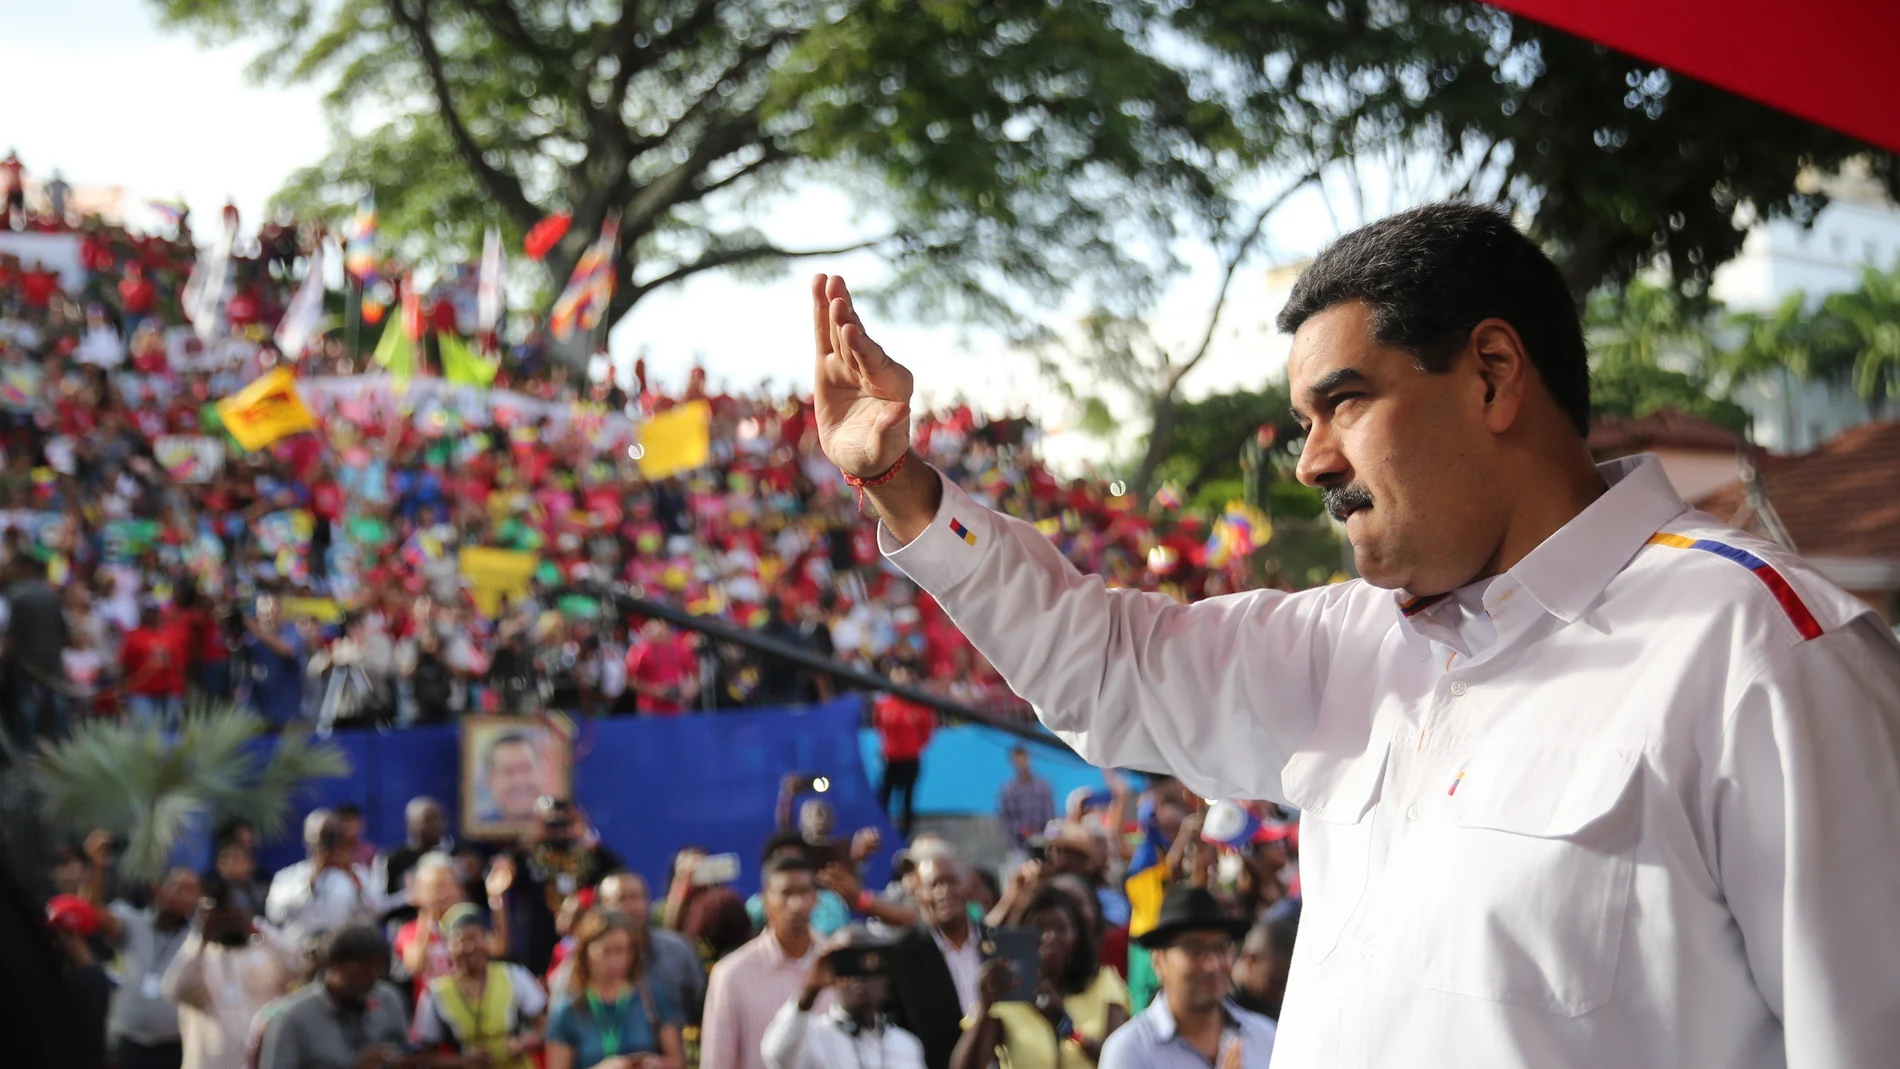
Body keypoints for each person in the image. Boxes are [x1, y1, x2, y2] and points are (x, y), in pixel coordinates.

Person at [808, 200, 1900, 1069]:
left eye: (1344, 402)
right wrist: (902, 488)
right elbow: (1103, 668)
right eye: (1302, 422)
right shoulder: (1342, 646)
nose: (1311, 461)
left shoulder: (1761, 650)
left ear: (1491, 374)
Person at [950, 886, 1128, 1069]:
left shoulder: (1102, 982)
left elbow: (1122, 1063)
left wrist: (1065, 1025)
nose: (1050, 937)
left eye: (1061, 928)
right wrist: (984, 1008)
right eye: (1039, 929)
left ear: (1077, 935)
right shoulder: (1008, 994)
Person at [1097, 886, 1275, 1069]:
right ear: (1159, 960)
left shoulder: (1266, 1037)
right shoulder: (1129, 1052)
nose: (1212, 964)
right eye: (1194, 950)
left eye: (1221, 948)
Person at [85, 832, 198, 1069]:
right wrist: (95, 867)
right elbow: (93, 914)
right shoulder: (132, 922)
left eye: (193, 891)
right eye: (180, 889)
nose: (187, 898)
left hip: (180, 1046)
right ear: (159, 889)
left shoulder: (197, 936)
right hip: (131, 1046)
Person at [160, 883, 302, 1069]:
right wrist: (200, 936)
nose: (228, 918)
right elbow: (174, 990)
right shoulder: (199, 957)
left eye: (235, 911)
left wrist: (255, 927)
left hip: (263, 1062)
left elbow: (299, 965)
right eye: (223, 913)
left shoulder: (264, 949)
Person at [700, 854, 822, 1069]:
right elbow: (716, 1062)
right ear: (766, 900)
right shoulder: (731, 974)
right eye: (786, 893)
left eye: (804, 892)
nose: (796, 905)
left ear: (816, 898)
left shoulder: (835, 964)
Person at [762, 926, 927, 1069]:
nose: (860, 978)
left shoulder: (906, 1044)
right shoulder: (815, 1037)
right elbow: (776, 1055)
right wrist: (809, 991)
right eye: (849, 965)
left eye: (869, 963)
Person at [255, 925, 413, 1069]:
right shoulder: (292, 1018)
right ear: (334, 964)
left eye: (378, 968)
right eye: (364, 968)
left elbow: (406, 1050)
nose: (373, 976)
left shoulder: (388, 998)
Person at [411, 905, 548, 1069]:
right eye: (461, 940)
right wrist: (462, 1061)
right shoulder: (436, 993)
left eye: (475, 938)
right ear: (448, 946)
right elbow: (424, 1057)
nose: (470, 947)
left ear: (486, 940)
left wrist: (524, 1043)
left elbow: (547, 1028)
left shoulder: (513, 975)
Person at [545, 909, 683, 1069]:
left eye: (624, 951)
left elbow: (678, 1061)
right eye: (607, 951)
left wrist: (656, 1064)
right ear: (586, 952)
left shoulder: (652, 997)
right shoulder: (568, 1010)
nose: (617, 961)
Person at [497, 797, 622, 975]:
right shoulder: (527, 859)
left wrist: (585, 833)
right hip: (537, 950)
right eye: (552, 823)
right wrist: (531, 837)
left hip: (583, 947)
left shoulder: (592, 858)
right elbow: (500, 873)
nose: (559, 829)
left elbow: (618, 873)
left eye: (565, 823)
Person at [883, 855, 981, 1069]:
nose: (943, 892)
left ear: (970, 885)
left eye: (951, 881)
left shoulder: (996, 942)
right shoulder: (902, 955)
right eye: (933, 884)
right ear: (918, 893)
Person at [265, 810, 395, 945]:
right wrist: (312, 879)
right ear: (306, 839)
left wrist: (352, 875)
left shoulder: (357, 874)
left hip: (342, 953)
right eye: (320, 838)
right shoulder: (289, 876)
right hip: (299, 952)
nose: (325, 845)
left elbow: (377, 911)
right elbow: (276, 913)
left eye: (332, 837)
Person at [594, 871, 706, 1026]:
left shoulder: (677, 948)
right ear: (602, 906)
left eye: (638, 897)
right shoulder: (591, 957)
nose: (632, 907)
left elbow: (701, 1005)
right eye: (622, 899)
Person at [871, 666, 935, 839]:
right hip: (891, 759)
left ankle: (905, 834)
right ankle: (879, 831)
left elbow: (926, 730)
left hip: (910, 758)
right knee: (884, 796)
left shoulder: (918, 706)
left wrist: (914, 746)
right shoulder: (884, 705)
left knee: (908, 798)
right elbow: (879, 726)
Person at [383, 796, 453, 927]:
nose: (436, 825)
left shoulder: (451, 856)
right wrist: (408, 897)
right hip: (406, 931)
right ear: (411, 824)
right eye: (428, 820)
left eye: (439, 819)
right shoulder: (394, 858)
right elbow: (380, 907)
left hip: (446, 932)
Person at [1229, 913, 1297, 1022]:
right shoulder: (1218, 1007)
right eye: (1275, 982)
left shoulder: (1272, 1009)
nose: (1281, 994)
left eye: (1286, 986)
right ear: (1251, 961)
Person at [995, 747, 1054, 867]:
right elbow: (1003, 818)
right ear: (1012, 763)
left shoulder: (1043, 786)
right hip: (1018, 847)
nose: (1021, 764)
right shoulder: (1008, 790)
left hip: (1042, 844)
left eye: (1023, 759)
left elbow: (1050, 815)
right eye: (1018, 760)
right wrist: (1021, 829)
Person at [482, 731, 553, 825]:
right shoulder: (478, 829)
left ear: (542, 772)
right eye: (508, 771)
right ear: (490, 780)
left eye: (526, 769)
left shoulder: (562, 826)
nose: (519, 781)